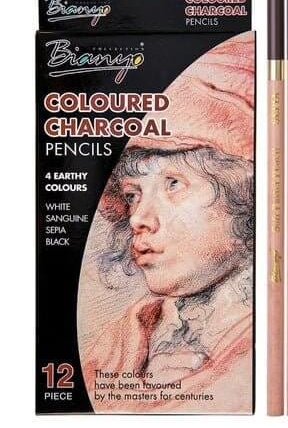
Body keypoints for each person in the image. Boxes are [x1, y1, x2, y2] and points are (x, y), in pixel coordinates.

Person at [80, 32, 255, 413]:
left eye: (173, 184)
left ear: (246, 194)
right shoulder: (123, 337)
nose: (139, 219)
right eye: (132, 195)